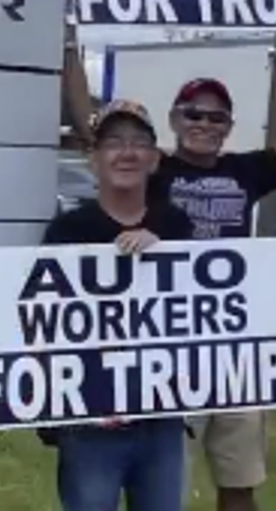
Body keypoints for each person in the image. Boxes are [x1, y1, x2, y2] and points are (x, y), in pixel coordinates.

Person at [64, 26, 276, 511]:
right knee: (165, 479)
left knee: (239, 485)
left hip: (234, 346)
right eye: (193, 113)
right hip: (167, 347)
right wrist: (70, 47)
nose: (205, 122)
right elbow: (90, 125)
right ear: (175, 120)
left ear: (229, 126)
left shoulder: (247, 171)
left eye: (217, 116)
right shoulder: (152, 165)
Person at [39, 99, 195, 511]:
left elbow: (199, 322)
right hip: (91, 426)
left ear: (155, 159)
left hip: (161, 422)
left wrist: (163, 254)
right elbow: (46, 327)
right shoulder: (68, 232)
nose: (126, 153)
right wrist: (77, 405)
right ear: (94, 159)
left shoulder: (177, 227)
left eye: (138, 142)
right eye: (113, 142)